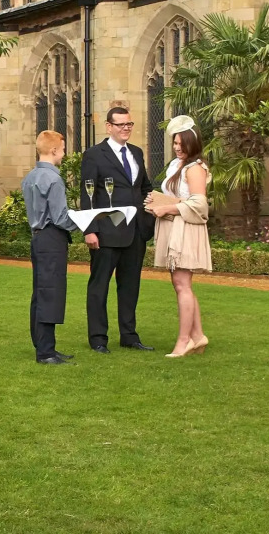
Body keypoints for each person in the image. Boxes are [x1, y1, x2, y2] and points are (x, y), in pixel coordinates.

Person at [78, 103, 155, 353]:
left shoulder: (137, 153)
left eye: (129, 124)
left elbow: (144, 187)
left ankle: (129, 336)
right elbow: (87, 193)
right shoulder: (94, 155)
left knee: (130, 286)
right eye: (120, 124)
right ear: (109, 126)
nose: (126, 128)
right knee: (99, 286)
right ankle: (98, 339)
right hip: (106, 232)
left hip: (135, 232)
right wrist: (90, 230)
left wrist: (151, 214)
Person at [144, 115, 211, 357]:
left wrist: (167, 208)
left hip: (186, 228)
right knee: (181, 284)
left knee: (182, 284)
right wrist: (156, 201)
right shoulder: (176, 165)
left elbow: (200, 205)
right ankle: (197, 336)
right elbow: (178, 196)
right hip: (174, 225)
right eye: (175, 143)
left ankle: (184, 341)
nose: (177, 148)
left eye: (181, 144)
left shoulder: (195, 168)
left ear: (192, 143)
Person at [20, 130, 77, 364]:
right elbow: (60, 217)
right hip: (52, 238)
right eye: (62, 149)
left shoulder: (30, 177)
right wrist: (85, 221)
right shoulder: (54, 179)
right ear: (53, 150)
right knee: (50, 293)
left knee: (41, 292)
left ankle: (45, 346)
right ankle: (45, 352)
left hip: (38, 238)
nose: (64, 154)